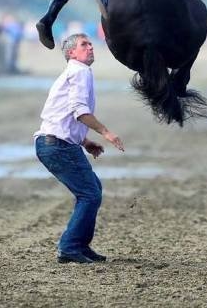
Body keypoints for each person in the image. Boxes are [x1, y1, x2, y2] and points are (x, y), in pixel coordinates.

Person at [34, 33, 124, 264]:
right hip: (56, 145)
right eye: (84, 45)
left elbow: (63, 115)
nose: (91, 47)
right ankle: (70, 247)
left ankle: (80, 246)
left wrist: (85, 141)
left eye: (91, 44)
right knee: (90, 194)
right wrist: (105, 132)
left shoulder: (75, 72)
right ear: (72, 53)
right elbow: (79, 110)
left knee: (92, 190)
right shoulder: (79, 71)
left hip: (55, 143)